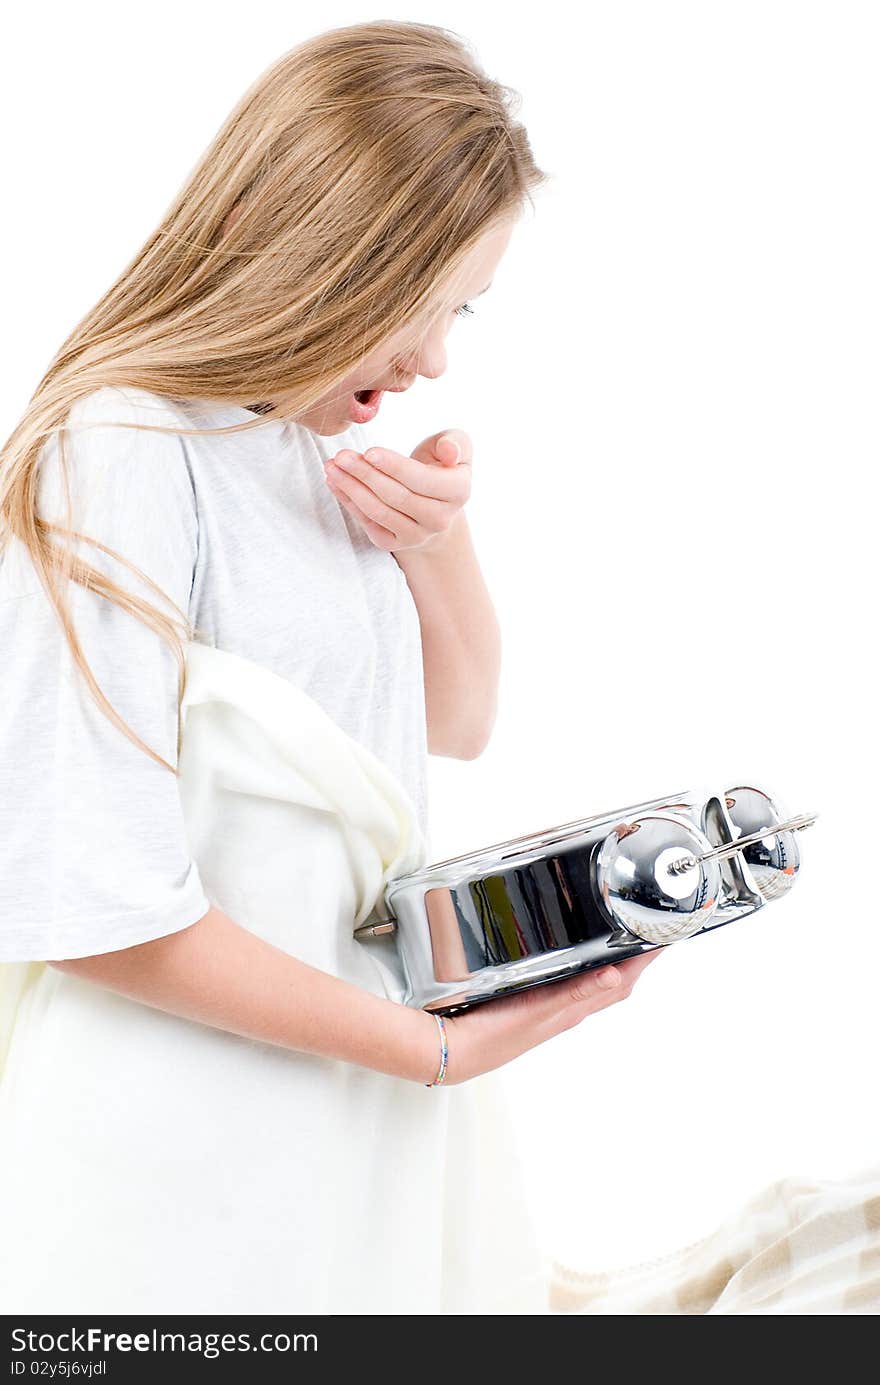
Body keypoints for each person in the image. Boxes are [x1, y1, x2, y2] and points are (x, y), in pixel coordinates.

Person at [0, 20, 660, 1314]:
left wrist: (440, 544)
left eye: (462, 305)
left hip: (345, 1120)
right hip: (185, 1152)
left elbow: (454, 725)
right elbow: (92, 906)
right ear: (315, 252)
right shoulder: (124, 444)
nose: (433, 356)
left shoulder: (295, 453)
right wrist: (428, 1047)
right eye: (423, 296)